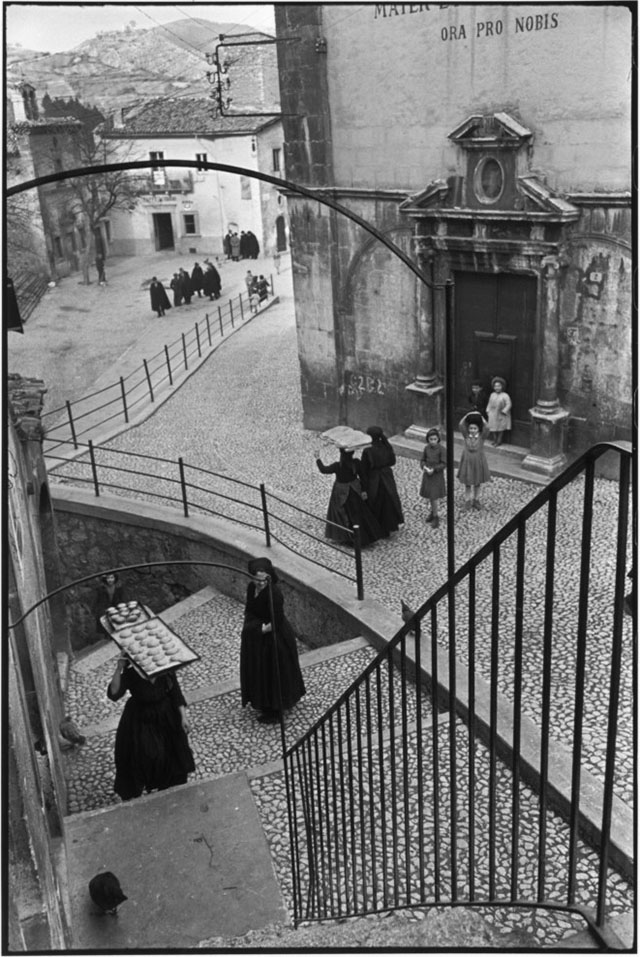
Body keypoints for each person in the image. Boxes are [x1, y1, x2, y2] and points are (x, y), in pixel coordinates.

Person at [107, 656, 195, 800]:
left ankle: (167, 786)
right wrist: (119, 669)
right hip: (140, 718)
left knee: (171, 753)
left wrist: (183, 717)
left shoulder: (165, 670)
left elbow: (176, 694)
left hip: (165, 715)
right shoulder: (131, 674)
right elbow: (114, 693)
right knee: (144, 754)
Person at [240, 557, 306, 724]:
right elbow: (249, 609)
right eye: (256, 580)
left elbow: (275, 621)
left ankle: (275, 709)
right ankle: (263, 701)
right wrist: (252, 628)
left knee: (272, 672)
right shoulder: (250, 588)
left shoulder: (274, 594)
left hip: (274, 638)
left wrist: (258, 630)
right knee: (260, 671)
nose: (260, 583)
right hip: (259, 633)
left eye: (264, 580)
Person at [315, 446, 387, 547]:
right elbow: (363, 476)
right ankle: (365, 536)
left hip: (341, 492)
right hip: (355, 491)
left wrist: (318, 458)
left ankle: (346, 537)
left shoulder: (337, 466)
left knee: (342, 513)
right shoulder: (356, 463)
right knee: (359, 513)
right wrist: (364, 490)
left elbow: (324, 469)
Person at [359, 425, 404, 533]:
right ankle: (390, 526)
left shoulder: (367, 451)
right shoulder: (386, 446)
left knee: (376, 501)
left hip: (374, 479)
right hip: (387, 477)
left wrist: (363, 487)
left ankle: (376, 527)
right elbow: (392, 462)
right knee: (389, 501)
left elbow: (363, 470)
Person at [458, 411, 491, 511]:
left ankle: (476, 500)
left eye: (475, 428)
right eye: (471, 428)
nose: (472, 430)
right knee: (467, 483)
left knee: (477, 482)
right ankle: (467, 501)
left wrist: (481, 417)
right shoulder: (466, 436)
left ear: (478, 429)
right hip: (467, 462)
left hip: (478, 462)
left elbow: (487, 427)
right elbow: (461, 424)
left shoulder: (481, 437)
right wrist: (467, 415)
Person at [419, 427, 446, 528]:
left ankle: (435, 516)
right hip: (428, 475)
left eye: (435, 439)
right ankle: (432, 512)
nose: (433, 441)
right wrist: (424, 467)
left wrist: (434, 470)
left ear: (438, 439)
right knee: (430, 496)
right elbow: (422, 460)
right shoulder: (426, 448)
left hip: (436, 476)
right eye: (431, 439)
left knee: (434, 496)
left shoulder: (442, 449)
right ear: (428, 440)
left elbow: (444, 463)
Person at [94, 572, 126, 641]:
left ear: (115, 578)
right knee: (105, 619)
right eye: (108, 578)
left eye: (112, 578)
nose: (110, 580)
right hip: (104, 606)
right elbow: (98, 600)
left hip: (116, 605)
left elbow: (122, 597)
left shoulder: (118, 587)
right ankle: (108, 635)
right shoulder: (101, 588)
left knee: (118, 617)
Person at [486, 376, 512, 446]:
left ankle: (499, 440)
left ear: (502, 386)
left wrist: (504, 411)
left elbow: (509, 404)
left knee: (500, 428)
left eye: (499, 386)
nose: (497, 388)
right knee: (493, 427)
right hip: (493, 414)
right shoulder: (492, 394)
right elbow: (489, 403)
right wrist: (488, 411)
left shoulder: (505, 395)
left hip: (501, 414)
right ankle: (494, 439)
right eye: (495, 386)